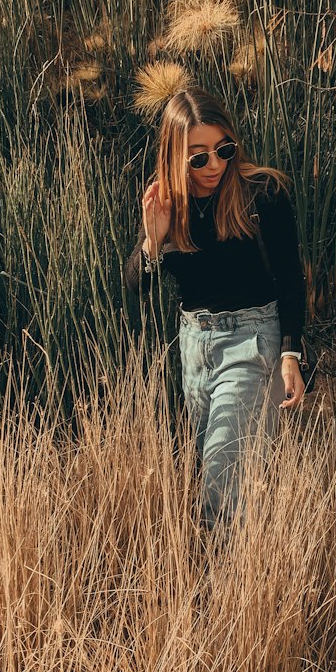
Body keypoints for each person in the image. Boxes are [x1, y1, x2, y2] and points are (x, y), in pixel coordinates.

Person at [123, 88, 307, 527]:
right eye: (198, 157)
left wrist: (290, 353)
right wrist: (155, 239)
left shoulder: (264, 193)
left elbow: (291, 278)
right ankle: (243, 572)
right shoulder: (167, 206)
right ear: (173, 157)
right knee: (217, 472)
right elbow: (136, 286)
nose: (215, 166)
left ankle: (220, 585)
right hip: (194, 349)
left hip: (253, 343)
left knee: (222, 480)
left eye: (223, 150)